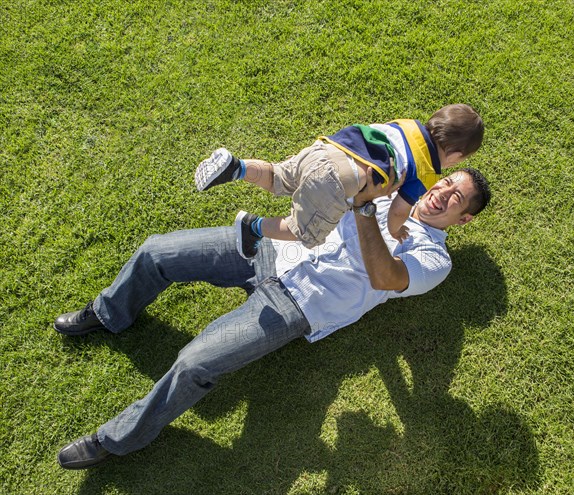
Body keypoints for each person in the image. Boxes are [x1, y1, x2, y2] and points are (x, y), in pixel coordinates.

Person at [54, 165, 491, 469]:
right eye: (446, 182)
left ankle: (115, 440)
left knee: (195, 363)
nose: (442, 194)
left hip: (296, 304)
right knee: (156, 252)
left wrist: (364, 210)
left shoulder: (433, 258)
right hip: (269, 248)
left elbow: (385, 274)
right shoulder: (392, 190)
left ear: (464, 218)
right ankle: (109, 313)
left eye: (456, 198)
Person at [194, 104, 483, 259]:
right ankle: (253, 227)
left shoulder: (407, 125)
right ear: (456, 157)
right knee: (304, 232)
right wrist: (395, 231)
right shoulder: (428, 170)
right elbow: (398, 209)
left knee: (279, 176)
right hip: (339, 180)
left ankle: (238, 167)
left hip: (329, 148)